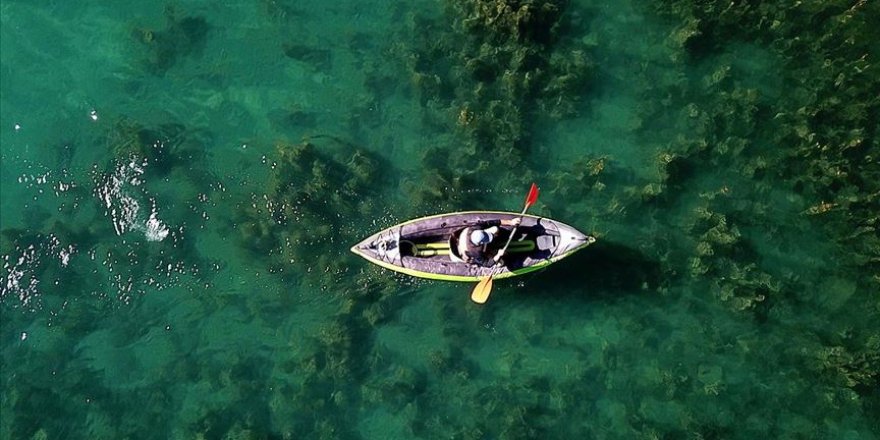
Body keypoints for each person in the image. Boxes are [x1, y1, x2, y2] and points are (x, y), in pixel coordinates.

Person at [450, 217, 521, 266]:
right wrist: (498, 255)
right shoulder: (475, 251)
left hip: (467, 239)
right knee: (500, 263)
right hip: (466, 250)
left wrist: (511, 222)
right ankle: (493, 251)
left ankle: (494, 244)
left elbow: (494, 222)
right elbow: (486, 263)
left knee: (495, 229)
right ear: (481, 244)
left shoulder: (476, 227)